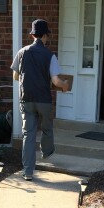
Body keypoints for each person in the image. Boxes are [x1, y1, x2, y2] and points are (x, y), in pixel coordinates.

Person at [11, 19, 70, 181]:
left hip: (26, 99)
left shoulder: (22, 52)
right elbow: (56, 81)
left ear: (32, 35)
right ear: (44, 36)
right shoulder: (50, 55)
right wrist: (64, 85)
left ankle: (28, 172)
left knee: (28, 136)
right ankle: (47, 152)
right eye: (47, 36)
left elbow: (16, 76)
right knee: (47, 128)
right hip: (43, 100)